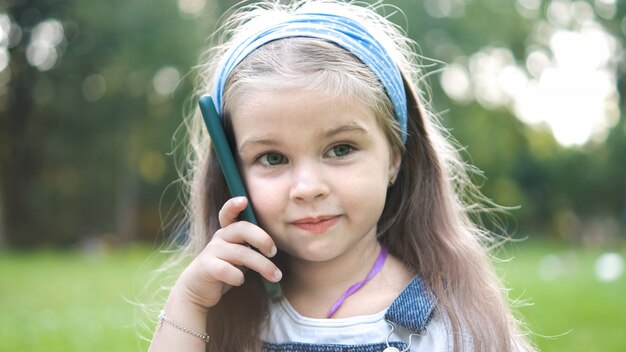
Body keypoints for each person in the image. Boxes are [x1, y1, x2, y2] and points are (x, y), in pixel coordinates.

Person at [148, 0, 535, 351]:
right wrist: (190, 302)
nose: (307, 188)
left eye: (341, 149)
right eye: (272, 157)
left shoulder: (451, 326)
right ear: (232, 175)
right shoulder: (219, 315)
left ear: (394, 159)